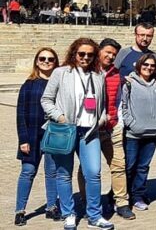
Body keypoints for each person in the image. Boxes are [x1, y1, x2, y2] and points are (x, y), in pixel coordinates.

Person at [41, 38, 113, 230]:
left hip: (89, 132)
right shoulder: (61, 73)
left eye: (90, 54)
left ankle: (95, 216)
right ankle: (68, 213)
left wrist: (102, 117)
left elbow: (103, 103)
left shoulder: (99, 75)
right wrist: (61, 117)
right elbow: (46, 100)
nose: (86, 57)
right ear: (74, 53)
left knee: (94, 173)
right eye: (82, 54)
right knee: (64, 174)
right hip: (65, 130)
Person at [77, 39, 135, 220]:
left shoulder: (116, 74)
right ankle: (88, 203)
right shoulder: (86, 72)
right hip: (89, 128)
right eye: (107, 52)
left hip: (112, 127)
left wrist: (119, 121)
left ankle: (121, 202)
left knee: (118, 165)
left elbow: (119, 99)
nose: (110, 56)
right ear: (99, 51)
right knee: (88, 168)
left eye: (114, 55)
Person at [15, 48, 60, 226]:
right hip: (32, 134)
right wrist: (23, 139)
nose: (46, 61)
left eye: (50, 59)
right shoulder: (29, 84)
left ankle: (51, 207)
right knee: (27, 172)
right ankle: (20, 210)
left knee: (52, 172)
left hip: (53, 134)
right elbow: (21, 114)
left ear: (56, 62)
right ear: (37, 61)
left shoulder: (59, 83)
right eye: (42, 58)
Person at [120, 53, 156, 211]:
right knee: (129, 166)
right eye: (145, 65)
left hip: (152, 134)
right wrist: (132, 124)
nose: (148, 68)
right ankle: (122, 197)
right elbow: (124, 107)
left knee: (143, 167)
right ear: (139, 65)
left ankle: (137, 196)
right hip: (133, 134)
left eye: (152, 66)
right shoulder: (129, 83)